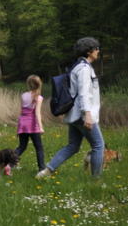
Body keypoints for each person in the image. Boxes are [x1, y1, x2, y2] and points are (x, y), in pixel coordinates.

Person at [36, 37, 104, 178]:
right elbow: (84, 94)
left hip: (74, 115)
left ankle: (46, 171)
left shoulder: (77, 66)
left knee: (73, 146)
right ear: (89, 51)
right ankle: (96, 180)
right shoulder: (84, 69)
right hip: (82, 115)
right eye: (96, 48)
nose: (98, 51)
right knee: (98, 146)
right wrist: (88, 114)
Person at [14, 75, 46, 173]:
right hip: (32, 125)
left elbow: (21, 111)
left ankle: (9, 163)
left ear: (28, 84)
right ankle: (42, 168)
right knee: (39, 148)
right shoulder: (39, 98)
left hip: (22, 123)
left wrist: (18, 126)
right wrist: (40, 127)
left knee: (22, 146)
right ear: (39, 84)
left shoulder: (23, 95)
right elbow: (37, 113)